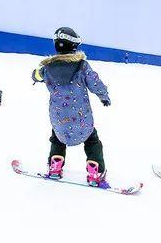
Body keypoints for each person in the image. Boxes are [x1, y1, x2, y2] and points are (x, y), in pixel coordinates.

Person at [31, 27, 111, 187]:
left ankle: (55, 166)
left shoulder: (47, 68)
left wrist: (37, 74)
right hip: (82, 119)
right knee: (92, 141)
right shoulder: (82, 66)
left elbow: (35, 75)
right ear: (74, 46)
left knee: (57, 139)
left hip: (59, 120)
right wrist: (104, 96)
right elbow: (95, 83)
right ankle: (95, 172)